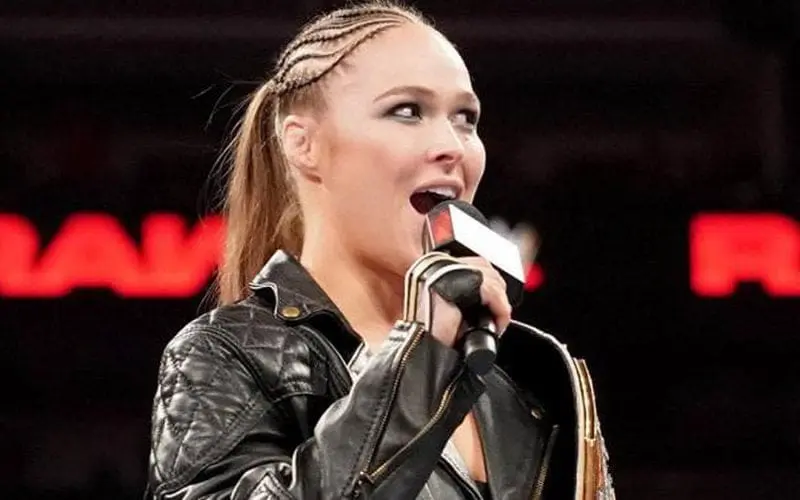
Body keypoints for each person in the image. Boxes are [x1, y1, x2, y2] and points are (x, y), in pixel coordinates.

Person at [146, 1, 615, 499]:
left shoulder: (533, 376)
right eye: (406, 111)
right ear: (303, 144)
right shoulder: (224, 355)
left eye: (465, 118)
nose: (452, 146)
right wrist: (420, 360)